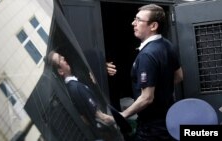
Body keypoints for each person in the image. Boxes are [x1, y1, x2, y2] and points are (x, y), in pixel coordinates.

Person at [109, 4, 183, 141]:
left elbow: (147, 97)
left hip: (151, 129)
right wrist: (159, 88)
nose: (133, 23)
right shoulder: (167, 44)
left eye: (138, 20)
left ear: (153, 26)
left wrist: (123, 115)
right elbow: (179, 76)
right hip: (168, 119)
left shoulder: (147, 55)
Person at [48, 50, 114, 126]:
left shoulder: (73, 86)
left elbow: (85, 119)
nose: (63, 57)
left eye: (61, 55)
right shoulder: (76, 88)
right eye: (60, 59)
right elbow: (103, 118)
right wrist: (123, 116)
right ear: (60, 71)